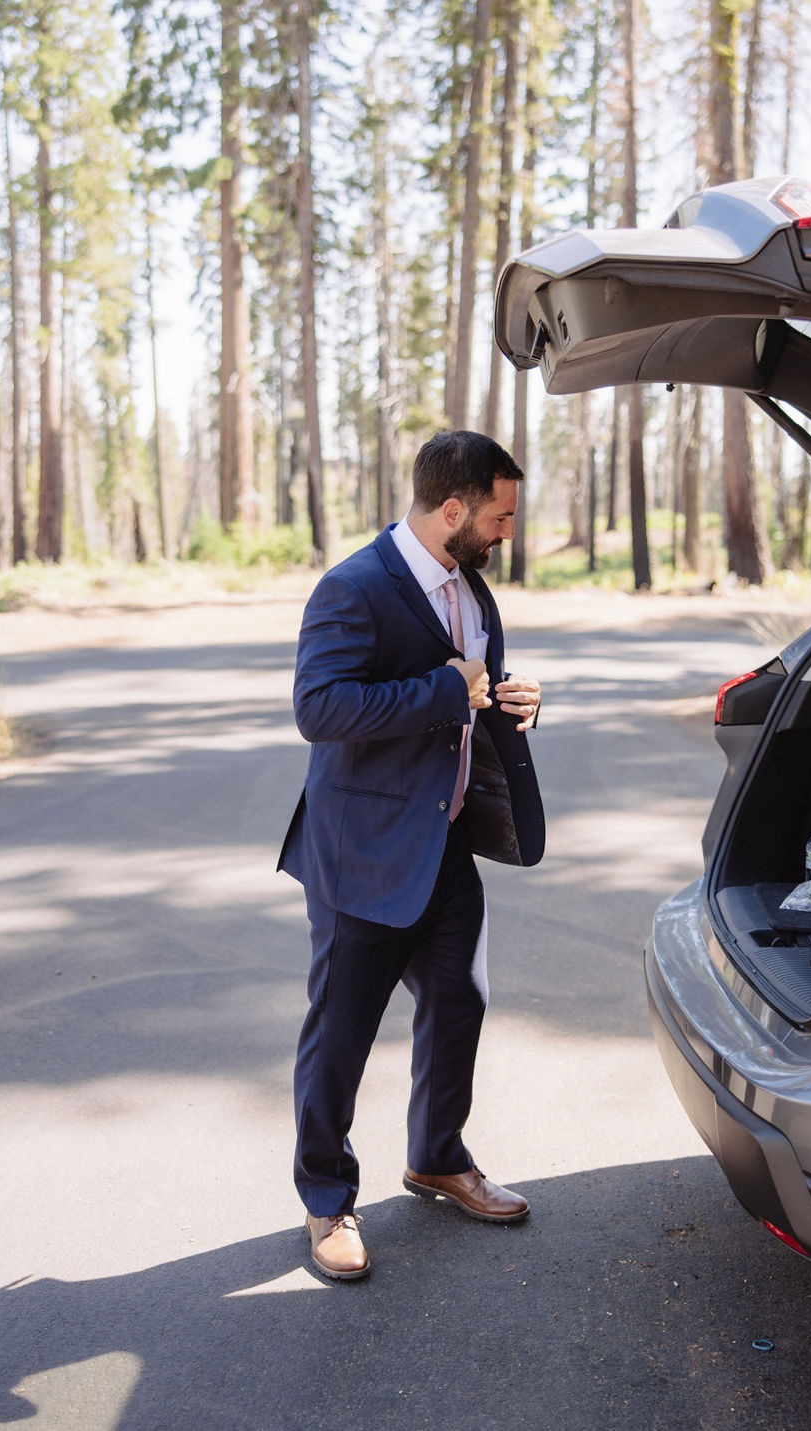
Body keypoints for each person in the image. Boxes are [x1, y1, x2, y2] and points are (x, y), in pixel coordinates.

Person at [278, 430, 545, 1281]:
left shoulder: (472, 585)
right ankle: (326, 1200)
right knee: (342, 1032)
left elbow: (475, 687)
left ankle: (436, 1155)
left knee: (462, 999)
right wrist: (445, 689)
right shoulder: (352, 587)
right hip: (361, 850)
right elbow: (319, 707)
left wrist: (515, 700)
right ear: (454, 509)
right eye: (498, 516)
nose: (506, 531)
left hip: (445, 840)